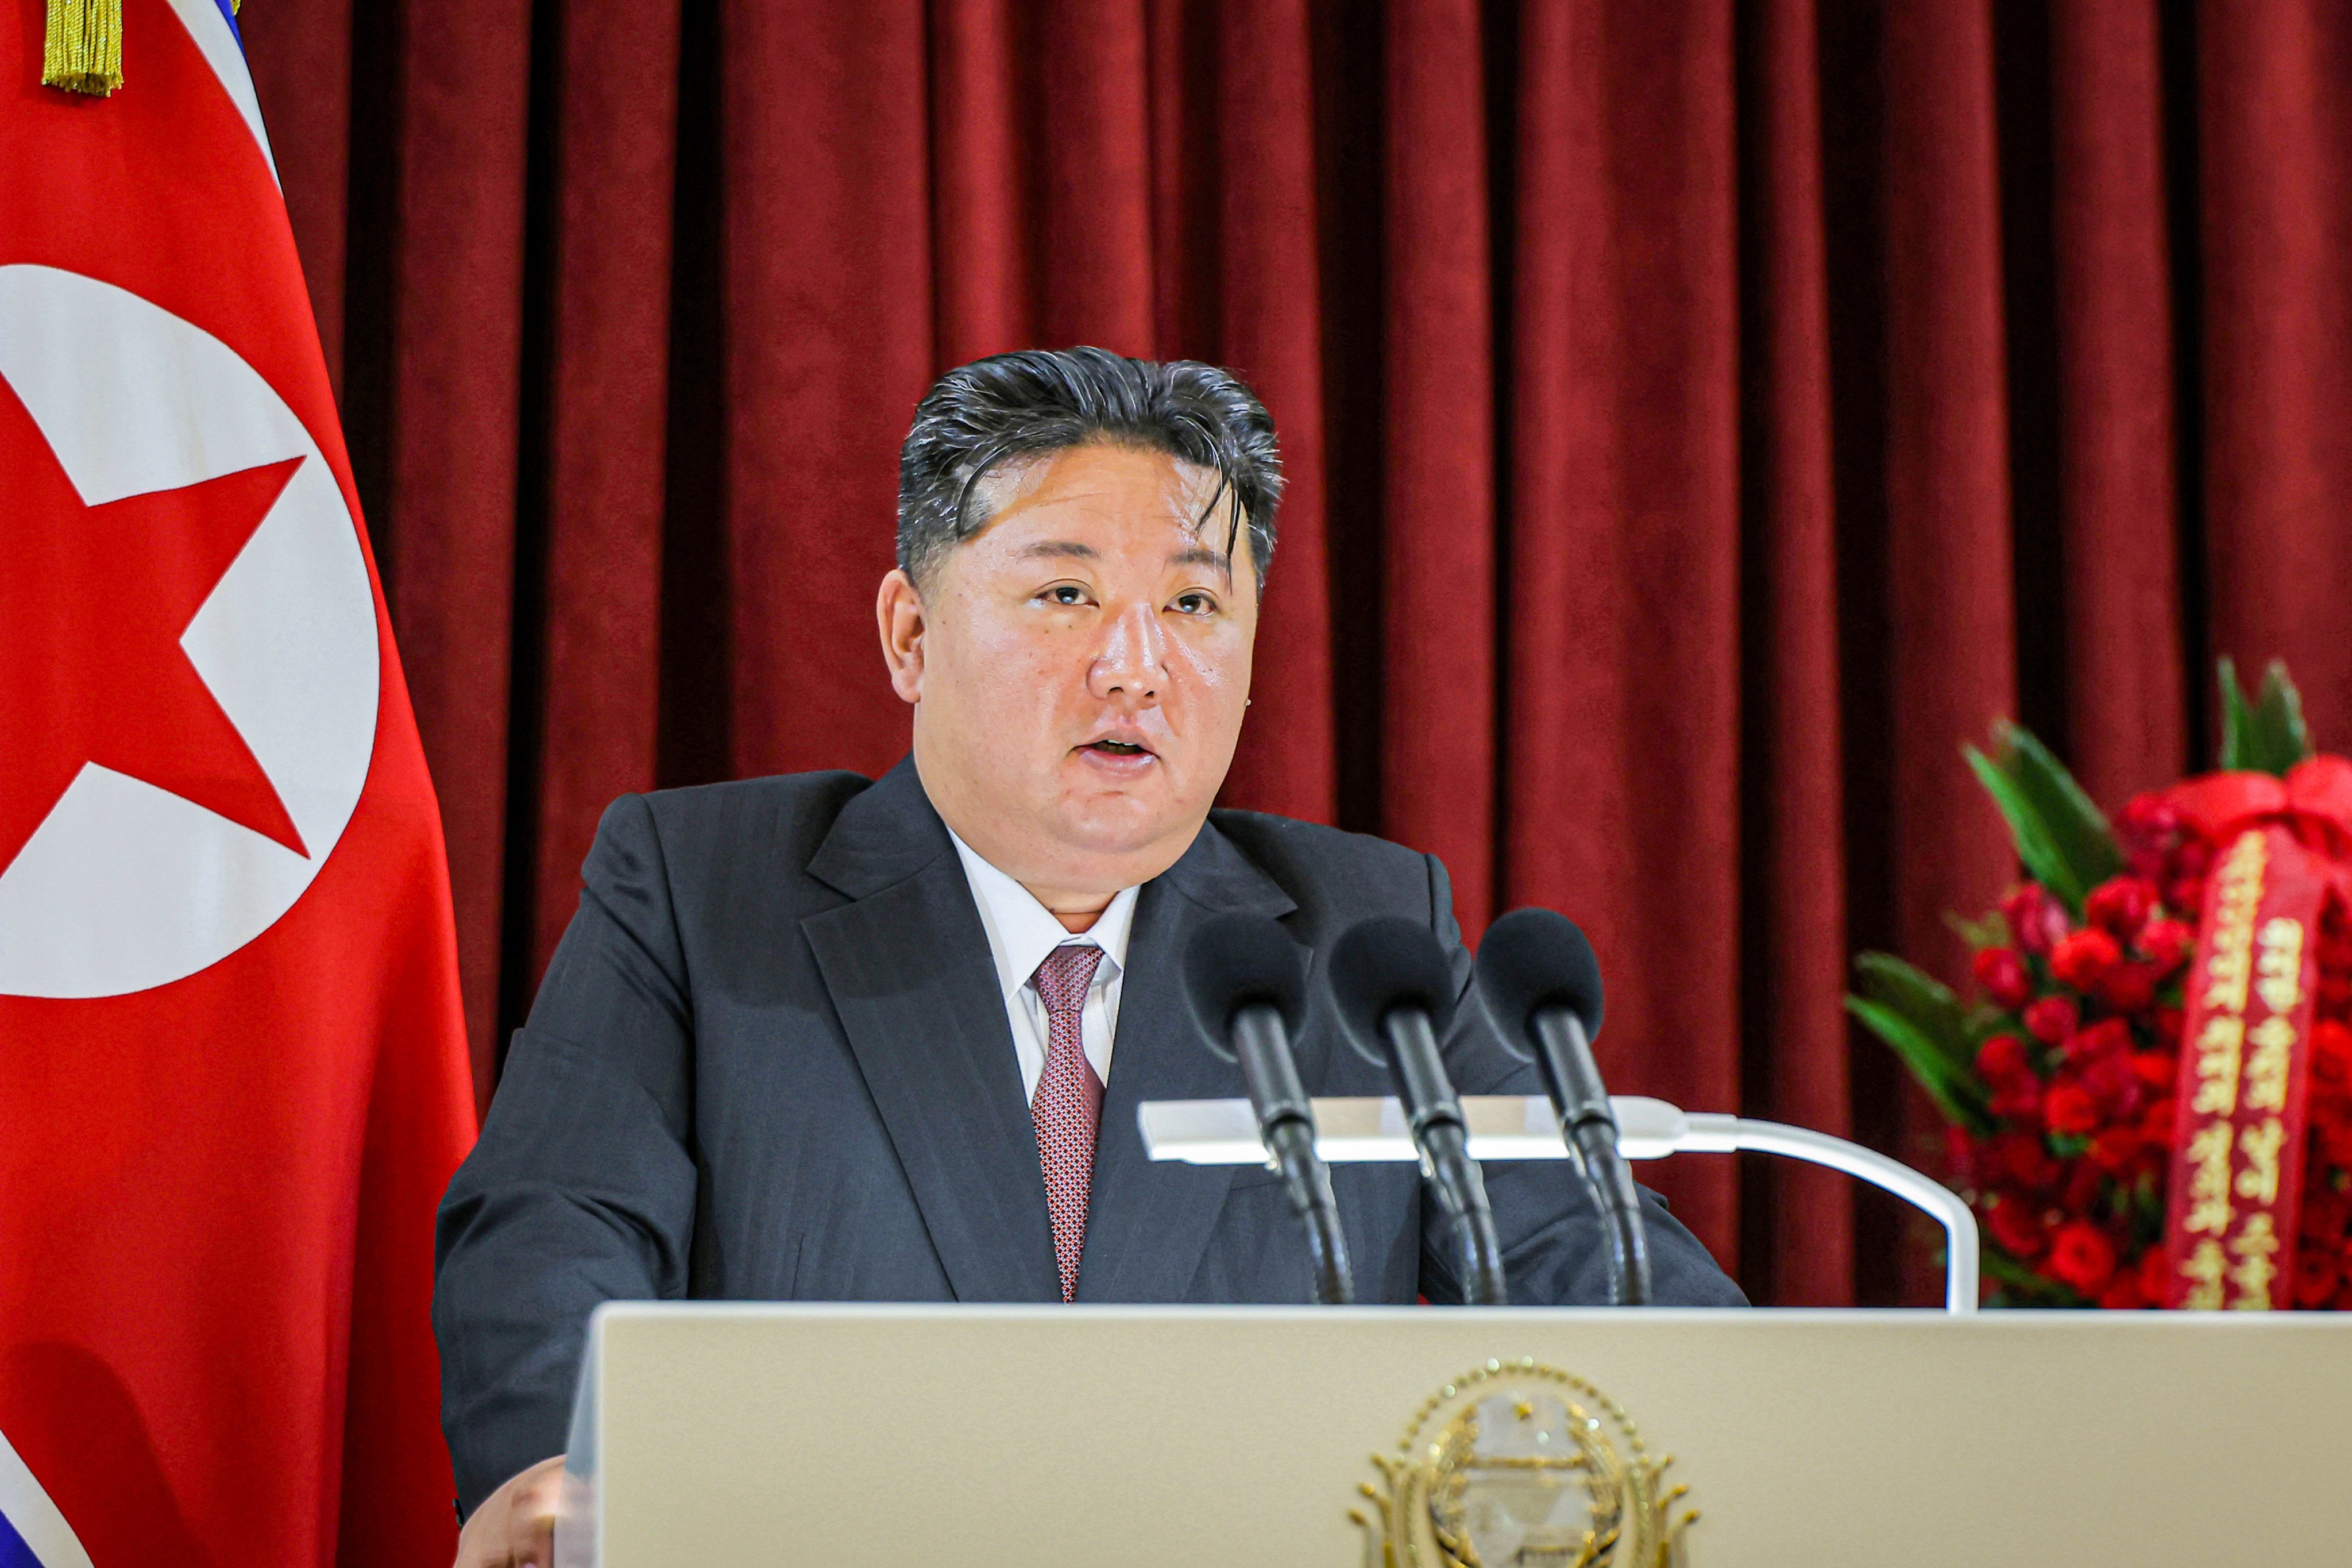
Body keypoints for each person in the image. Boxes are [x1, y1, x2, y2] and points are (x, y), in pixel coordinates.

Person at [435, 347, 1744, 1566]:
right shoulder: (702, 885)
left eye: (1191, 603)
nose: (1135, 666)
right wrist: (567, 1467)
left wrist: (1755, 1440)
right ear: (909, 634)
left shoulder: (1363, 938)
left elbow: (1590, 1269)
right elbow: (558, 1225)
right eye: (1065, 594)